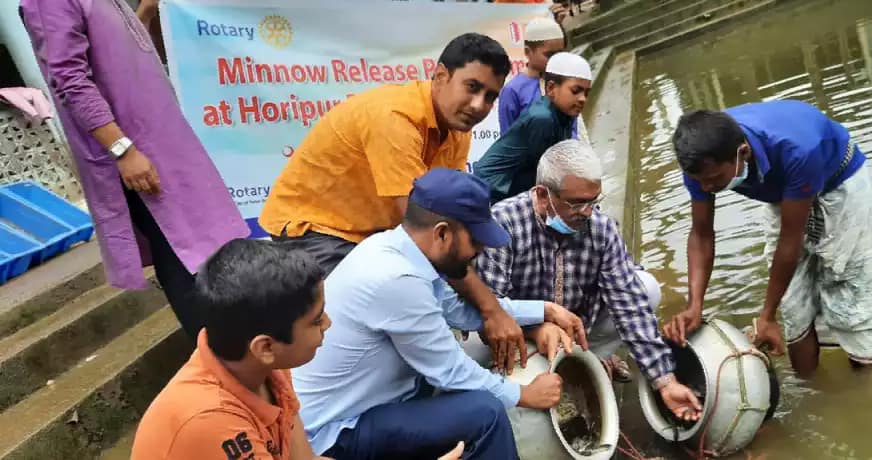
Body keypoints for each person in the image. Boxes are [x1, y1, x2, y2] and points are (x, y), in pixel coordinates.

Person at [260, 32, 531, 374]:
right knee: (384, 331)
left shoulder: (457, 128)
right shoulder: (396, 119)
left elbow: (452, 227)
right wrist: (490, 310)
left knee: (427, 311)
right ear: (441, 76)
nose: (479, 105)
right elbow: (427, 233)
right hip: (318, 231)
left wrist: (489, 305)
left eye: (490, 96)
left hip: (371, 235)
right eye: (472, 87)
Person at [292, 168, 580, 460]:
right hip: (336, 432)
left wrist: (543, 309)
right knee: (486, 413)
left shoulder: (395, 250)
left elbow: (458, 311)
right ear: (442, 233)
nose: (479, 251)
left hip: (376, 403)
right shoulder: (395, 279)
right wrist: (525, 394)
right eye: (476, 241)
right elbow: (449, 371)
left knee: (469, 379)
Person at [20, 0, 249, 341]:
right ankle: (225, 368)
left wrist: (146, 12)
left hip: (166, 149)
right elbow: (69, 79)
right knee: (183, 261)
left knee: (209, 255)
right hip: (137, 156)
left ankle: (242, 359)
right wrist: (122, 149)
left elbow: (120, 62)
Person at [476, 140, 704, 420]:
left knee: (644, 288)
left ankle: (593, 358)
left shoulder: (600, 228)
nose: (587, 212)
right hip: (523, 331)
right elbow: (489, 310)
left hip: (580, 327)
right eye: (576, 203)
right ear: (542, 195)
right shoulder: (504, 224)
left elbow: (629, 304)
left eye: (593, 201)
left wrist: (665, 382)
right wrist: (535, 329)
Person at [664, 101, 872, 377]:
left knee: (850, 291)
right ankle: (810, 386)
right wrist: (694, 305)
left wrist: (766, 316)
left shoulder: (797, 150)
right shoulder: (701, 165)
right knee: (793, 302)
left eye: (714, 180)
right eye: (700, 182)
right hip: (783, 190)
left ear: (742, 153)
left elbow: (789, 244)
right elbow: (701, 234)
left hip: (837, 183)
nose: (706, 189)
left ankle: (864, 387)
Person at [130, 239, 330, 459]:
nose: (327, 323)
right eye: (317, 320)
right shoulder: (211, 420)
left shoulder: (266, 368)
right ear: (265, 347)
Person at [474, 52, 592, 203]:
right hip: (493, 188)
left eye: (587, 93)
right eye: (575, 91)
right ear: (550, 88)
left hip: (514, 185)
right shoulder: (543, 119)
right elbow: (543, 174)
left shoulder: (565, 114)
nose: (582, 99)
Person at [497, 17, 576, 137]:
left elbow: (573, 128)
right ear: (528, 52)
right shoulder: (512, 91)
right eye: (549, 55)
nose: (555, 59)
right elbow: (508, 139)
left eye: (560, 53)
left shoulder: (564, 82)